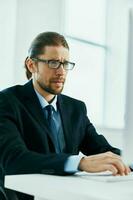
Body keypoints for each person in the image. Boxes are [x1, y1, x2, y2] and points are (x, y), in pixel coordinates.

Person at [0, 32, 130, 199]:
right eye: (53, 63)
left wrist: (127, 161)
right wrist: (80, 163)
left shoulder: (76, 108)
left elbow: (103, 151)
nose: (61, 72)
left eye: (65, 63)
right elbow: (15, 160)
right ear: (31, 65)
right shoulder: (7, 102)